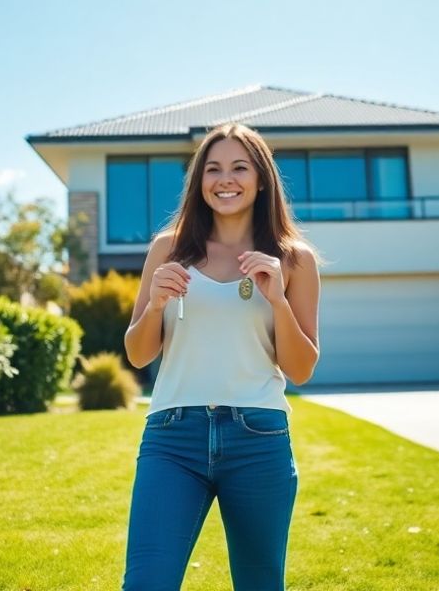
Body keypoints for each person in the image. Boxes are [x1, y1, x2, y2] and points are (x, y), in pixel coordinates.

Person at [121, 122, 322, 591]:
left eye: (238, 167)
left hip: (259, 437)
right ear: (199, 182)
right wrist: (154, 305)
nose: (224, 179)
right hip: (173, 439)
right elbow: (137, 353)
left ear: (261, 179)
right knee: (146, 582)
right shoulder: (168, 250)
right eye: (212, 169)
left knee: (260, 584)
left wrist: (278, 301)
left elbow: (301, 368)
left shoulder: (294, 259)